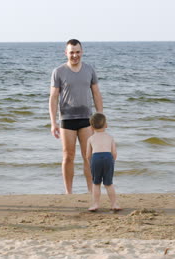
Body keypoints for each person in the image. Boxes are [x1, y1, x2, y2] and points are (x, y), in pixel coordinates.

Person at [49, 39, 103, 194]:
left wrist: (100, 117)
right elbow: (53, 98)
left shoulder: (89, 70)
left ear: (82, 52)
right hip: (67, 120)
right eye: (71, 52)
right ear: (66, 53)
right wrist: (53, 123)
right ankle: (69, 193)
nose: (75, 55)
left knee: (89, 157)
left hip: (87, 120)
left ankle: (91, 192)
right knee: (68, 157)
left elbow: (96, 94)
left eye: (77, 52)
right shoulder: (58, 72)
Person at [86, 113, 120, 212]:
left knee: (96, 183)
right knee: (109, 183)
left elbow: (88, 155)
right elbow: (114, 153)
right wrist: (112, 162)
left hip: (96, 158)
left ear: (91, 127)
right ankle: (114, 204)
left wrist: (90, 163)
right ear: (106, 125)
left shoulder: (90, 139)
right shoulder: (110, 137)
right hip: (108, 158)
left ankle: (96, 204)